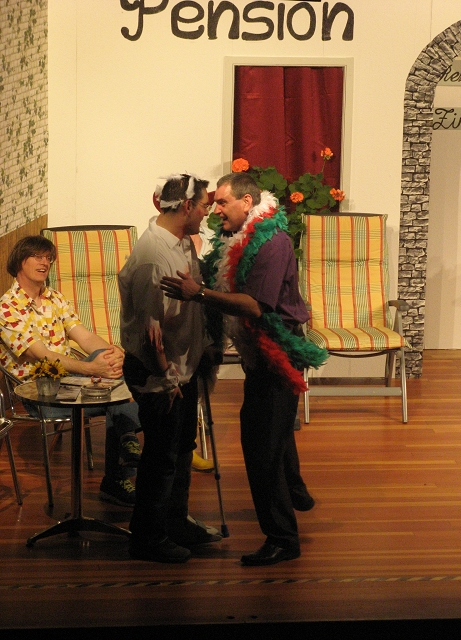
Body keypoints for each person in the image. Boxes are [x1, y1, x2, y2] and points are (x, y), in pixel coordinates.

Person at [160, 172, 327, 566]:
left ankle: (283, 539)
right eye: (214, 203)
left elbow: (255, 306)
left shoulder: (270, 242)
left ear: (248, 202)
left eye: (222, 202)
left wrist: (198, 294)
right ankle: (296, 491)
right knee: (272, 430)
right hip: (258, 352)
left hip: (277, 350)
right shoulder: (236, 236)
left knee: (260, 445)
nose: (215, 210)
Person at [118, 172, 223, 564]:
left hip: (182, 366)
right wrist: (165, 379)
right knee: (161, 458)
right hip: (159, 372)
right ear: (187, 207)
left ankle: (175, 522)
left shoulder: (182, 242)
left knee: (181, 450)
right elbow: (151, 332)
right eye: (204, 206)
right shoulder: (153, 257)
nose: (208, 213)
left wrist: (205, 347)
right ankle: (147, 537)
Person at [0, 235, 142, 507]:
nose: (45, 263)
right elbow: (42, 355)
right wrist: (91, 367)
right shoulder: (7, 307)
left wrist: (113, 353)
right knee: (119, 394)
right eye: (37, 256)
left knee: (114, 371)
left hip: (71, 380)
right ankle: (120, 466)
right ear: (19, 261)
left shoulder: (53, 297)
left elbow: (84, 337)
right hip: (39, 392)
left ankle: (125, 444)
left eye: (48, 258)